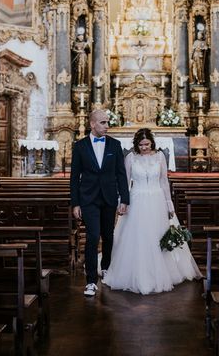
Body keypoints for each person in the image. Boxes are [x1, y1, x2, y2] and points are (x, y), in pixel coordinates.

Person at [103, 128, 201, 295]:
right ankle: (137, 271)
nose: (144, 147)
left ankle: (162, 271)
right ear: (136, 144)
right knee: (139, 236)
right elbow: (124, 183)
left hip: (157, 200)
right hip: (137, 200)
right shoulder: (130, 158)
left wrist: (169, 204)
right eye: (141, 145)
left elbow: (163, 181)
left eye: (147, 144)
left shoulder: (160, 156)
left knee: (157, 235)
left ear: (152, 143)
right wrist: (122, 202)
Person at [70, 109, 130, 297]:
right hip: (88, 198)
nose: (107, 126)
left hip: (109, 197)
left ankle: (106, 267)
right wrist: (75, 203)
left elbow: (121, 174)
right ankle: (90, 280)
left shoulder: (115, 144)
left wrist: (125, 199)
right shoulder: (79, 146)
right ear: (92, 124)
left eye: (107, 122)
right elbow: (74, 177)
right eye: (103, 122)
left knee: (108, 235)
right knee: (93, 236)